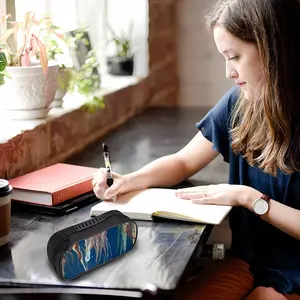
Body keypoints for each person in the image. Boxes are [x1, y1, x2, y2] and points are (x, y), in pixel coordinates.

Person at [92, 0, 300, 298]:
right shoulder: (238, 103)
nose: (229, 71)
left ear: (272, 48)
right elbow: (183, 161)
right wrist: (129, 180)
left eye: (235, 56)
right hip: (248, 261)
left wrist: (249, 197)